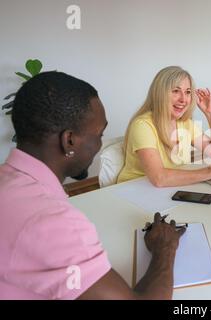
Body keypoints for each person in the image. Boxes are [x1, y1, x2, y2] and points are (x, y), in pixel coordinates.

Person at [0, 71, 185, 299]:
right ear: (69, 140)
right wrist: (165, 249)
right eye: (99, 134)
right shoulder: (52, 221)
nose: (100, 144)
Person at [117, 66, 211, 187]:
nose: (183, 99)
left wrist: (210, 113)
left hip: (170, 188)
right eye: (176, 91)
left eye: (187, 92)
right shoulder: (142, 125)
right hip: (134, 188)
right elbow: (159, 178)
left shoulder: (185, 123)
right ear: (160, 94)